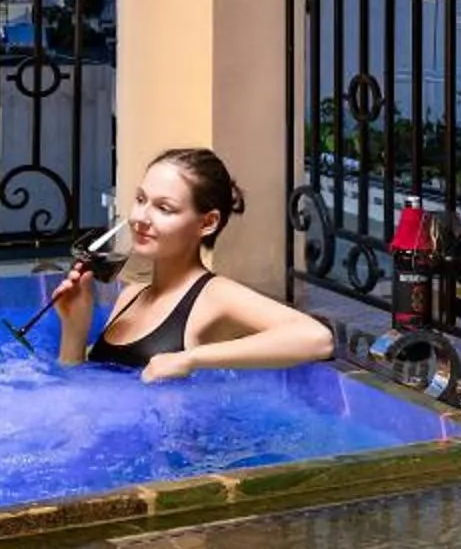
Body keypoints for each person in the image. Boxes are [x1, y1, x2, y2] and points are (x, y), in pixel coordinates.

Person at [53, 147, 335, 382]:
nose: (140, 217)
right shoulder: (130, 296)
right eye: (140, 199)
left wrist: (190, 359)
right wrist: (74, 329)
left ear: (207, 223)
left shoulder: (214, 295)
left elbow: (317, 338)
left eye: (164, 208)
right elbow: (78, 389)